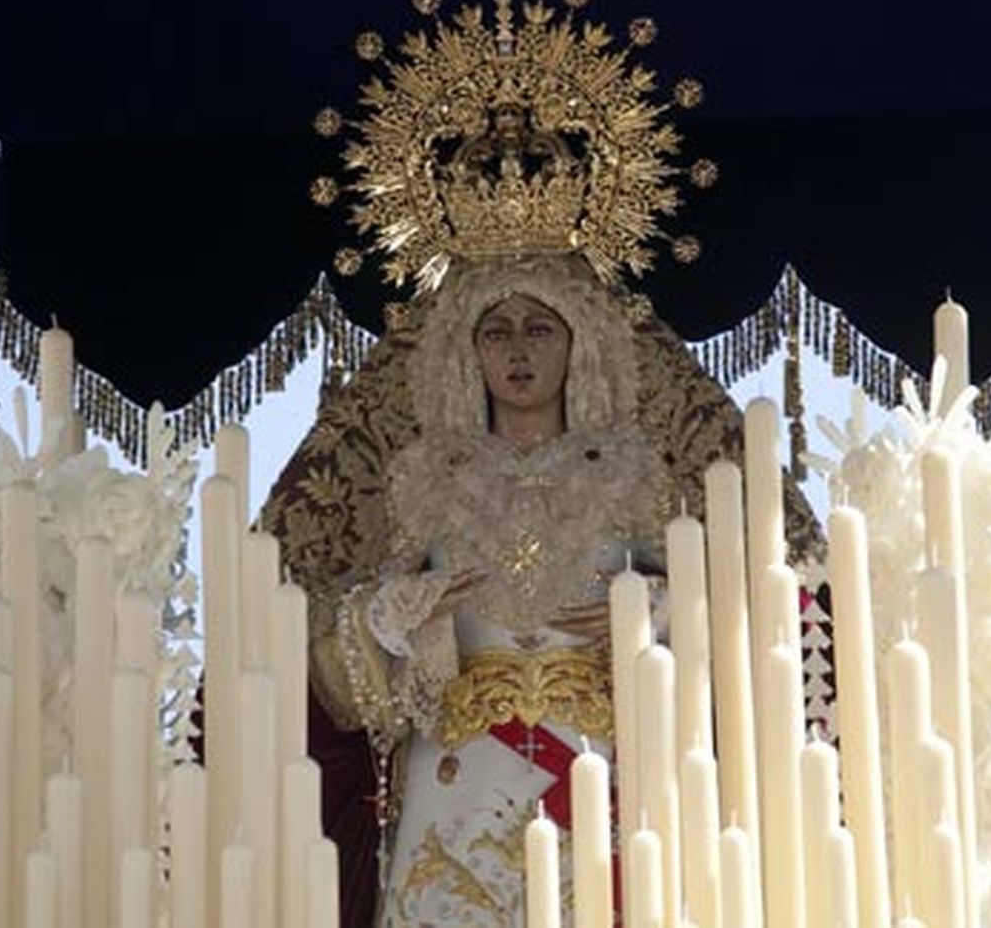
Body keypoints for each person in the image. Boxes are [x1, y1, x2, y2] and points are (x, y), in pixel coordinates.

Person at [260, 254, 825, 926]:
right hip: (459, 765)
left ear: (577, 344)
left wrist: (653, 610)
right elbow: (348, 631)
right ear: (466, 351)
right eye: (495, 330)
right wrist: (396, 614)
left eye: (540, 328)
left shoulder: (632, 474)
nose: (519, 349)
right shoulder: (424, 480)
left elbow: (722, 609)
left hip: (595, 759)